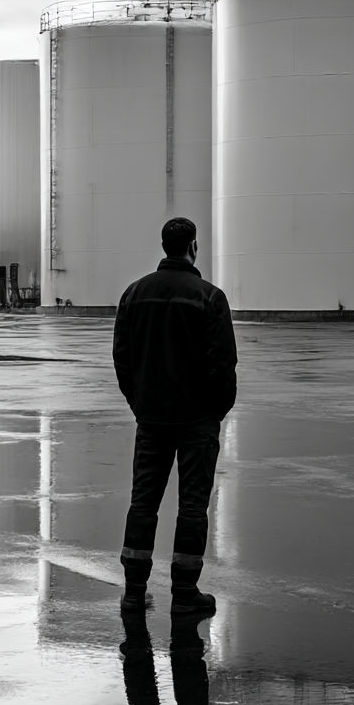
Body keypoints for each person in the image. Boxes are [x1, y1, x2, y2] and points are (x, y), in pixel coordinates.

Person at [113, 217, 237, 617]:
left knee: (143, 503)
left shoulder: (134, 294)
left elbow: (122, 358)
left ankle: (134, 591)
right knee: (192, 506)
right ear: (193, 247)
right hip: (197, 421)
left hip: (152, 419)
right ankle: (185, 593)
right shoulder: (210, 297)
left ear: (164, 246)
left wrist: (140, 403)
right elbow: (223, 365)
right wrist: (215, 411)